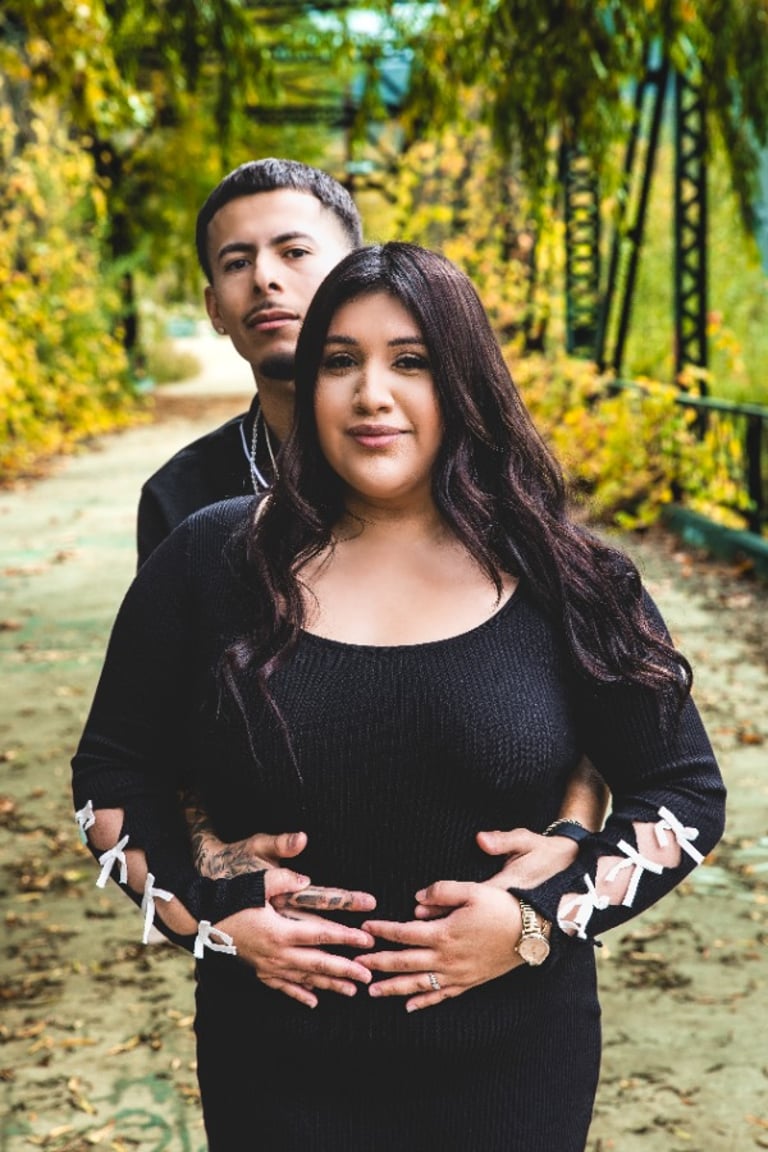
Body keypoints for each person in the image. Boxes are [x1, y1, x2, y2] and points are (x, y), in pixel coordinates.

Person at [72, 242, 725, 1150]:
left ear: (465, 382)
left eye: (411, 361)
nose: (370, 394)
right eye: (340, 361)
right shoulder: (209, 560)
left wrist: (537, 918)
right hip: (273, 1066)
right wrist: (210, 920)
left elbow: (684, 792)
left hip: (512, 1066)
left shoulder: (571, 578)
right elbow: (112, 773)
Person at [137, 157, 609, 901]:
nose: (265, 279)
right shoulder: (185, 507)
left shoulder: (489, 482)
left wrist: (568, 837)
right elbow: (166, 722)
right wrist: (210, 870)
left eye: (294, 251)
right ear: (214, 307)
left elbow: (586, 686)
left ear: (353, 273)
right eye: (237, 262)